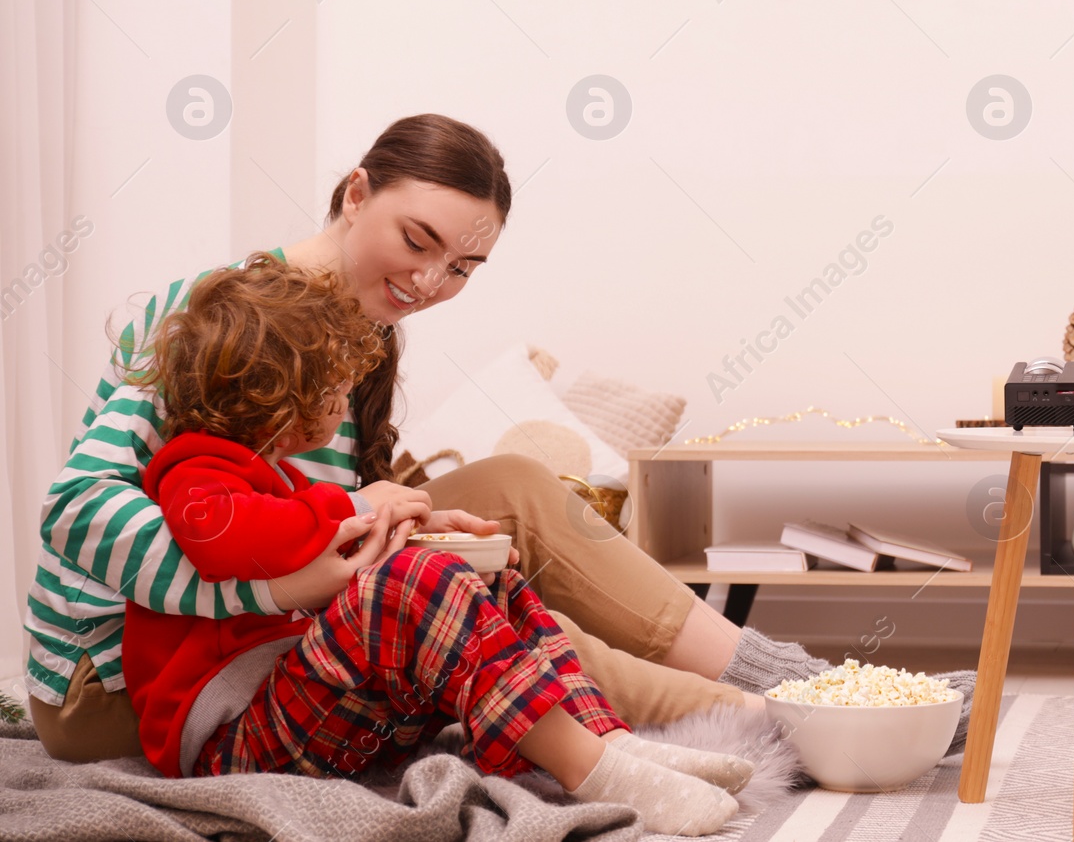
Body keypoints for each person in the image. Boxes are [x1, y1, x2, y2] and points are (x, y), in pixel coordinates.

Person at [24, 113, 974, 762]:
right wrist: (288, 578)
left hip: (261, 635)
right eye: (418, 240)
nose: (432, 282)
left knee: (513, 488)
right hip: (127, 686)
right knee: (506, 621)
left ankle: (804, 681)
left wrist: (387, 536)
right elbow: (76, 511)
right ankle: (808, 718)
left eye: (463, 267)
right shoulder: (208, 311)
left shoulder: (366, 338)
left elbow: (314, 522)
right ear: (356, 192)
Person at [119, 254, 745, 835]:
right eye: (334, 387)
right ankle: (591, 769)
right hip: (239, 745)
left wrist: (419, 530)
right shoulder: (194, 469)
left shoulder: (281, 480)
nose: (343, 402)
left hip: (319, 721)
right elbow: (225, 539)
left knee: (484, 576)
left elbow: (313, 547)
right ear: (278, 394)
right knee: (408, 583)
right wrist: (360, 507)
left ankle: (605, 737)